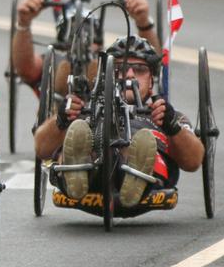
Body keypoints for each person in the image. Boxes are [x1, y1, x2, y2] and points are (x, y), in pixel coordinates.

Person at [34, 35, 203, 207]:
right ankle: (77, 169)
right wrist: (62, 119)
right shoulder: (84, 111)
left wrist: (172, 126)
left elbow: (194, 161)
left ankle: (135, 174)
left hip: (148, 174)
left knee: (144, 144)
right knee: (78, 131)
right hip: (92, 172)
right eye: (120, 68)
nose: (129, 75)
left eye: (139, 69)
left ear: (151, 80)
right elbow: (41, 149)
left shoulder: (164, 115)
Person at [11, 0, 161, 96]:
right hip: (58, 134)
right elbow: (25, 69)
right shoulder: (52, 63)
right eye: (74, 33)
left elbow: (152, 65)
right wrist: (24, 23)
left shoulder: (115, 65)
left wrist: (143, 23)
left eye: (89, 30)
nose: (82, 39)